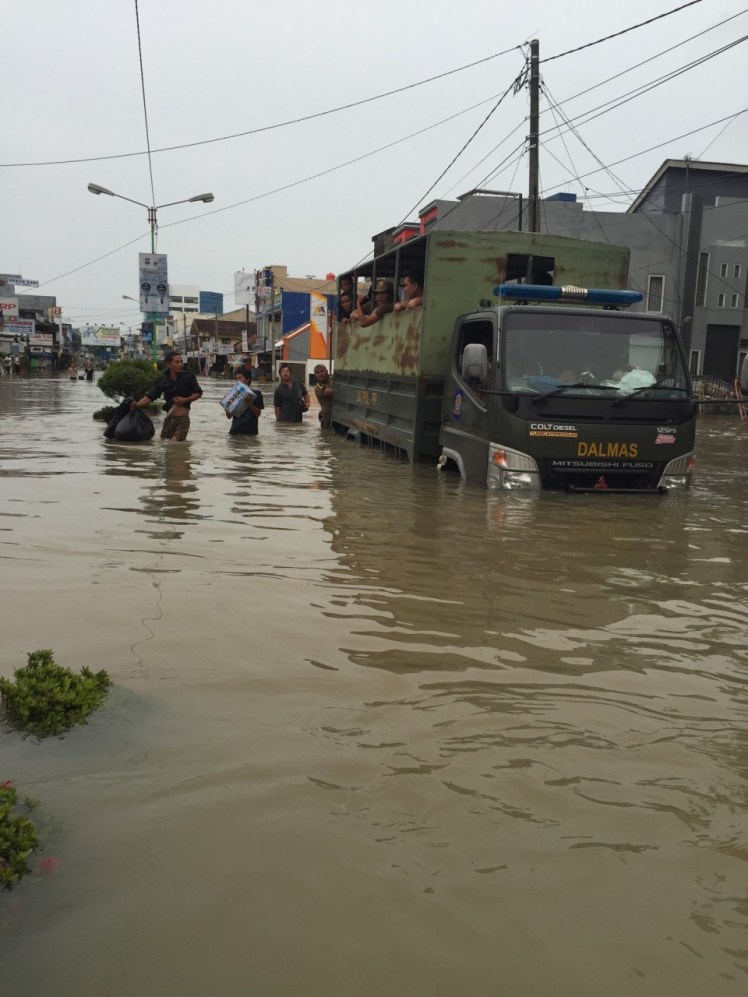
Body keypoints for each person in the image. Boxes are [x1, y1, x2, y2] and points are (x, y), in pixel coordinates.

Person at [131, 351, 202, 441]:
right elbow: (150, 397)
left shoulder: (189, 377)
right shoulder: (162, 379)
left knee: (174, 444)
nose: (180, 364)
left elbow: (198, 393)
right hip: (169, 418)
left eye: (181, 362)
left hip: (182, 419)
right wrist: (136, 405)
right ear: (168, 364)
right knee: (164, 444)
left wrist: (185, 400)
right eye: (177, 362)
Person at [226, 367, 264, 436]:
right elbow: (229, 416)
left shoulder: (256, 394)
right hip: (235, 431)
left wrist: (249, 403)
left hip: (250, 432)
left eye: (240, 378)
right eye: (236, 378)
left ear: (248, 379)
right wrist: (227, 408)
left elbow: (258, 414)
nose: (238, 381)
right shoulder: (233, 394)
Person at [313, 364, 334, 429]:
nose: (320, 374)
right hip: (327, 418)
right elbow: (331, 393)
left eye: (322, 371)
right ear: (315, 376)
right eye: (317, 373)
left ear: (327, 372)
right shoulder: (318, 386)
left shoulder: (332, 381)